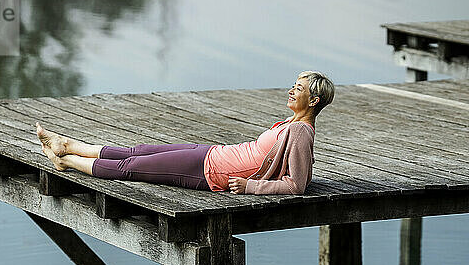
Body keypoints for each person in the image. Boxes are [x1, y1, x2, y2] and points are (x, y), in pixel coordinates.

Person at [36, 70, 335, 195]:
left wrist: (250, 187)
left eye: (299, 89)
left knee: (131, 168)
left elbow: (297, 184)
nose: (292, 90)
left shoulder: (300, 133)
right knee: (136, 151)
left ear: (314, 100)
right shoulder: (292, 123)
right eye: (294, 86)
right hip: (211, 153)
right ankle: (66, 144)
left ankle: (67, 161)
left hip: (210, 173)